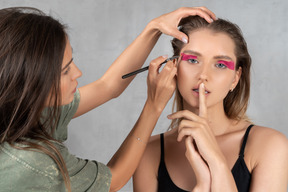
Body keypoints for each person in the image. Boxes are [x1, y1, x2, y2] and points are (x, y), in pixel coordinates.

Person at [0, 6, 217, 192]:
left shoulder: (26, 109)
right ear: (31, 84)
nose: (78, 73)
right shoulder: (29, 162)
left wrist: (154, 28)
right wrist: (153, 105)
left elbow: (108, 86)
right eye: (66, 71)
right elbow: (113, 181)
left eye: (71, 60)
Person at [133, 16, 288, 192]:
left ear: (235, 79)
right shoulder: (149, 152)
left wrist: (216, 160)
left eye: (221, 65)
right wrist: (202, 185)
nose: (203, 75)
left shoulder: (269, 145)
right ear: (174, 66)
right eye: (192, 60)